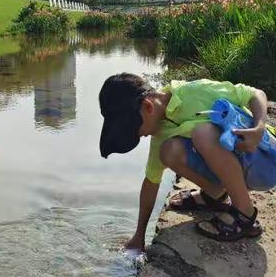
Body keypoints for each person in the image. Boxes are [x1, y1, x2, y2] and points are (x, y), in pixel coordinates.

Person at [99, 73, 276, 251]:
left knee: (203, 134)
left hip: (264, 157)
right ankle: (214, 196)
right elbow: (151, 182)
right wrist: (139, 235)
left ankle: (245, 214)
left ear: (147, 106)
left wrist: (259, 128)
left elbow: (255, 94)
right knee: (169, 151)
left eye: (137, 130)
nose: (142, 135)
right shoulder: (161, 132)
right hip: (243, 167)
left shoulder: (194, 92)